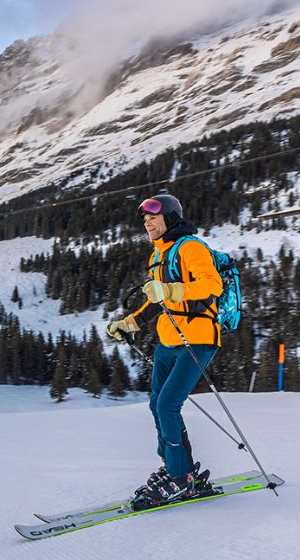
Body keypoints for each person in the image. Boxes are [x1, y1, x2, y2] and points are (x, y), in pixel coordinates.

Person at [106, 194, 222, 506]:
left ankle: (180, 478)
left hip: (197, 339)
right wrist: (129, 323)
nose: (147, 223)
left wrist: (170, 289)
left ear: (170, 218)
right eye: (144, 220)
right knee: (157, 403)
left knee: (167, 405)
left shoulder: (191, 247)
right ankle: (177, 469)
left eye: (153, 218)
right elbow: (157, 299)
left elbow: (211, 286)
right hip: (168, 341)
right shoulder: (161, 254)